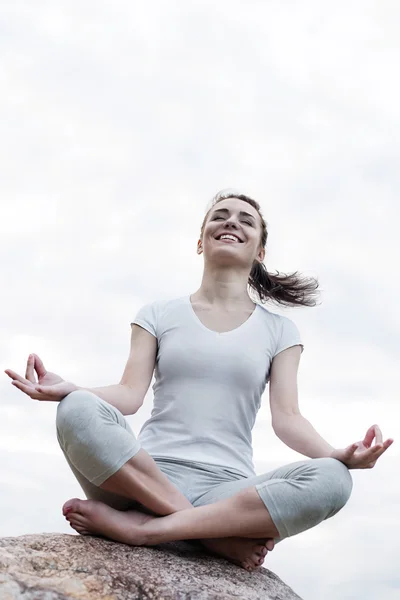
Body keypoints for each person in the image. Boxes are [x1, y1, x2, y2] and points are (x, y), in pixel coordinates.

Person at [5, 191, 393, 572]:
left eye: (246, 220)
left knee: (334, 480)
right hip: (141, 478)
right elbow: (128, 395)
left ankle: (146, 531)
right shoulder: (158, 314)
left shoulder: (280, 330)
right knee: (76, 408)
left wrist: (337, 455)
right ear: (200, 241)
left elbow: (288, 418)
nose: (231, 222)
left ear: (259, 251)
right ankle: (209, 535)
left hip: (226, 494)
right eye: (220, 215)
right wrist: (70, 389)